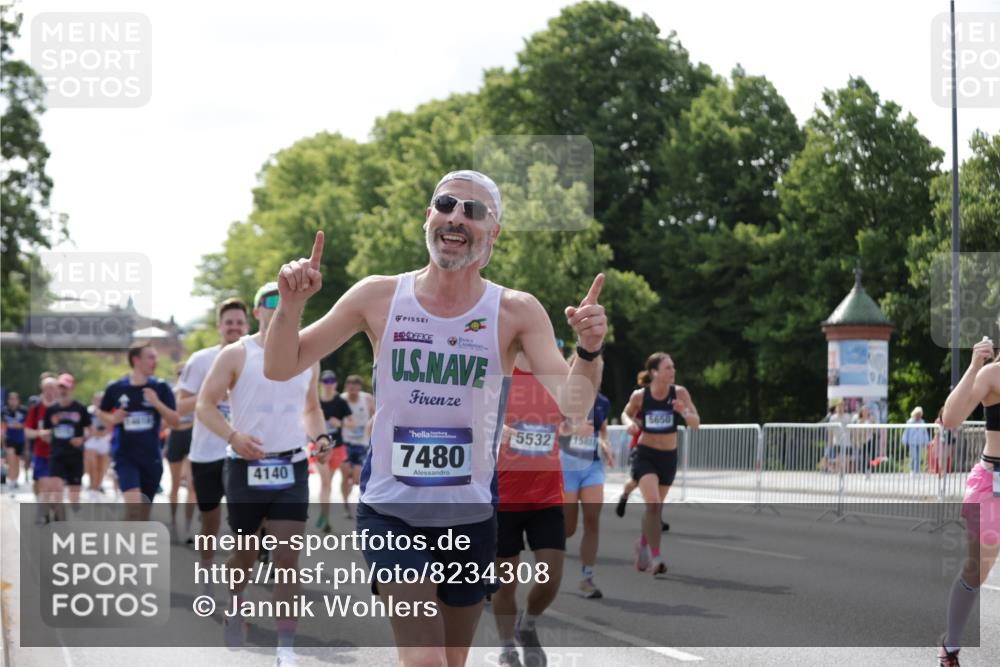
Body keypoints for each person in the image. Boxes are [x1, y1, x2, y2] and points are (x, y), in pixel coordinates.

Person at [263, 169, 607, 667]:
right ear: (429, 216)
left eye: (473, 211)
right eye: (446, 204)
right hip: (391, 511)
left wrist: (589, 350)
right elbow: (280, 365)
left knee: (451, 661)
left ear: (493, 232)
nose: (456, 217)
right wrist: (291, 304)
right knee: (424, 660)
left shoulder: (515, 310)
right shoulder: (378, 296)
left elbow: (574, 405)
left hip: (470, 515)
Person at [196, 282, 328, 666]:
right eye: (271, 301)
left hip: (291, 466)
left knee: (287, 557)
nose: (280, 307)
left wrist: (319, 436)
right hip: (245, 466)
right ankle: (235, 604)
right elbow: (205, 405)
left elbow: (311, 406)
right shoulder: (237, 354)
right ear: (258, 312)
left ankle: (285, 650)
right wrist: (233, 436)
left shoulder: (308, 354)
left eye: (288, 301)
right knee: (245, 553)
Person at [494, 354, 569, 667]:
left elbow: (582, 394)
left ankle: (528, 624)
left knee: (551, 579)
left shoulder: (554, 372)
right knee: (503, 583)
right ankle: (506, 644)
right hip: (503, 498)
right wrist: (496, 429)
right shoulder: (496, 370)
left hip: (547, 496)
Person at [176, 297, 250, 594]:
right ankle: (206, 572)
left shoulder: (256, 357)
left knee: (244, 523)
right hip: (206, 452)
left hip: (243, 453)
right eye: (229, 322)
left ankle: (237, 587)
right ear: (220, 326)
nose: (234, 327)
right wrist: (211, 395)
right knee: (210, 519)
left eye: (239, 323)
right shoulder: (201, 360)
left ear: (247, 325)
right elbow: (181, 406)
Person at [938, 333, 1000, 666]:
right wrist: (975, 365)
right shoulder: (992, 375)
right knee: (978, 570)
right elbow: (950, 419)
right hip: (994, 484)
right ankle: (950, 646)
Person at [622, 352, 700, 576]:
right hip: (645, 454)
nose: (673, 371)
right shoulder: (640, 396)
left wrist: (682, 411)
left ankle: (643, 543)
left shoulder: (680, 393)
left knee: (655, 509)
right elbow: (626, 413)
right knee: (653, 503)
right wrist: (629, 423)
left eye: (673, 367)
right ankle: (656, 557)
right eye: (668, 368)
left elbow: (696, 423)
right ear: (654, 372)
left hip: (668, 457)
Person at [97, 343, 180, 520]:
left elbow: (175, 420)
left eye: (155, 357)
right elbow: (100, 412)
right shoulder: (116, 388)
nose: (155, 362)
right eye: (150, 357)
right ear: (136, 360)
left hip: (152, 458)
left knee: (143, 514)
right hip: (125, 456)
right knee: (134, 506)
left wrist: (156, 403)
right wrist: (113, 419)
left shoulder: (161, 387)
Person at [559, 357, 613, 599]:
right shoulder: (563, 397)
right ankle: (548, 566)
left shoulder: (602, 402)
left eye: (599, 371)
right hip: (566, 467)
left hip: (591, 466)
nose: (596, 374)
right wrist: (572, 429)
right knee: (568, 529)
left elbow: (602, 428)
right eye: (592, 369)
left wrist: (604, 442)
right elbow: (554, 428)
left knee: (593, 521)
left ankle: (587, 577)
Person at [40, 374, 91, 515]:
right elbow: (45, 430)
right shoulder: (51, 410)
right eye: (60, 387)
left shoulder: (80, 408)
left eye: (66, 387)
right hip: (57, 454)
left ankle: (74, 515)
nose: (63, 391)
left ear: (72, 388)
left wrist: (82, 438)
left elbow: (89, 430)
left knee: (74, 496)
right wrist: (45, 434)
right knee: (56, 488)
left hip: (75, 455)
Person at [315, 369, 353, 531]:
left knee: (328, 483)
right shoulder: (315, 401)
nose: (329, 385)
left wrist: (341, 423)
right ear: (321, 383)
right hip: (319, 447)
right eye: (325, 381)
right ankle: (324, 517)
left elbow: (353, 423)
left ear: (336, 383)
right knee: (325, 482)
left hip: (336, 447)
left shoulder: (340, 402)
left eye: (331, 382)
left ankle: (325, 515)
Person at [166, 363, 196, 541]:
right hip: (176, 437)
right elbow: (167, 420)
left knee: (192, 485)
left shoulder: (196, 393)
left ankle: (188, 525)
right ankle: (173, 521)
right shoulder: (170, 393)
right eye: (180, 374)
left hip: (192, 436)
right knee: (175, 484)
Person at [24, 374, 59, 523]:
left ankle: (52, 511)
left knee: (55, 487)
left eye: (52, 387)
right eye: (46, 388)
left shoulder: (63, 407)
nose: (49, 391)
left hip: (60, 455)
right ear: (42, 389)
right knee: (42, 484)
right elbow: (27, 431)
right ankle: (43, 512)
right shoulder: (36, 409)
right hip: (41, 454)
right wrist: (39, 433)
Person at [339, 374, 373, 519]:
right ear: (347, 387)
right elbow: (333, 419)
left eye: (355, 386)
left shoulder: (367, 399)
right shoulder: (341, 399)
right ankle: (346, 504)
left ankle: (354, 491)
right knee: (345, 474)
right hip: (345, 442)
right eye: (350, 386)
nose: (352, 389)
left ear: (359, 387)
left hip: (362, 443)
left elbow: (376, 416)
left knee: (357, 477)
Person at [83, 391, 113, 498]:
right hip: (91, 440)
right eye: (97, 399)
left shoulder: (107, 411)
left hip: (104, 440)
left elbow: (110, 426)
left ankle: (97, 488)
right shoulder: (88, 411)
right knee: (93, 466)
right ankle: (91, 486)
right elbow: (85, 426)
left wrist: (101, 415)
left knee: (102, 468)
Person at [3, 391, 28, 494]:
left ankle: (15, 479)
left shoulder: (23, 411)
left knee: (17, 461)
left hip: (20, 439)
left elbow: (28, 424)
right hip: (9, 438)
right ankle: (11, 481)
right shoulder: (4, 411)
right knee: (11, 458)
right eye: (11, 399)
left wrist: (20, 426)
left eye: (15, 399)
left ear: (18, 400)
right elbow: (2, 425)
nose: (13, 401)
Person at [902, 406, 930, 474]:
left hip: (920, 441)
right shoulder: (910, 422)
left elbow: (925, 433)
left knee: (919, 457)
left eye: (920, 415)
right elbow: (906, 432)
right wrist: (905, 441)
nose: (918, 416)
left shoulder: (922, 422)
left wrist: (926, 442)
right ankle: (912, 470)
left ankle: (917, 470)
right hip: (912, 442)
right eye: (917, 414)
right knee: (913, 456)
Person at [851, 404, 877, 476]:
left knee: (873, 455)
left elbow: (875, 429)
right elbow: (856, 432)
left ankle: (871, 469)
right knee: (864, 456)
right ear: (861, 412)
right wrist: (856, 441)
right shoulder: (859, 421)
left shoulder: (872, 419)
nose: (866, 412)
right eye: (864, 411)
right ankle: (864, 470)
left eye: (867, 410)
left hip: (871, 439)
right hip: (862, 440)